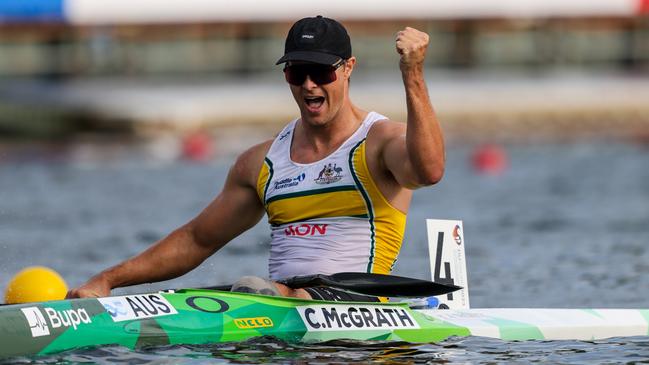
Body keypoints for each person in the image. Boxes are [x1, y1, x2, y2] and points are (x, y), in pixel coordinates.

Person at [67, 16, 445, 302]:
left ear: (348, 68)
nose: (309, 85)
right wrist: (107, 280)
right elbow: (198, 239)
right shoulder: (260, 162)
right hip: (279, 310)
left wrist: (412, 73)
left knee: (256, 291)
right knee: (251, 295)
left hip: (361, 310)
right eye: (298, 73)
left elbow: (429, 172)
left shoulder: (380, 141)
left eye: (320, 72)